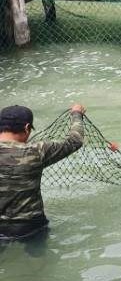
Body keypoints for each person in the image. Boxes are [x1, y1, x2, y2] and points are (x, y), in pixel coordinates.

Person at [0, 103, 85, 241]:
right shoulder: (37, 151)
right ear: (27, 128)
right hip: (30, 227)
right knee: (37, 260)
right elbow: (75, 141)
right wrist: (76, 114)